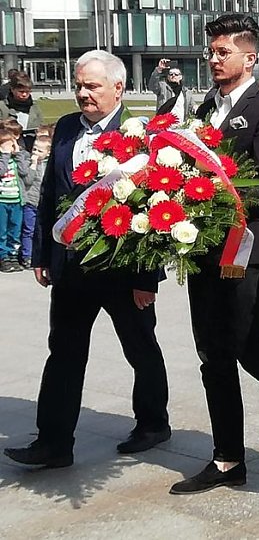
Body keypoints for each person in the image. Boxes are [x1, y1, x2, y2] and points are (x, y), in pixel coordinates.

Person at [168, 14, 259, 495]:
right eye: (210, 52)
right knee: (211, 353)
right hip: (203, 248)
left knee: (246, 345)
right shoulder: (203, 110)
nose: (212, 60)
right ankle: (228, 458)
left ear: (249, 57)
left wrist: (204, 203)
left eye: (222, 52)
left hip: (244, 247)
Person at [4, 50, 170, 467]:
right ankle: (54, 441)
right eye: (78, 85)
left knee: (140, 347)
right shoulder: (63, 129)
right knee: (63, 350)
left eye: (92, 86)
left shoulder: (141, 134)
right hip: (72, 265)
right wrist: (42, 252)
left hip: (124, 268)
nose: (82, 93)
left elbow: (159, 209)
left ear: (118, 87)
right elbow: (48, 196)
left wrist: (147, 278)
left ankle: (152, 423)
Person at [19, 134, 50, 269]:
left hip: (43, 203)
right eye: (34, 149)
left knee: (43, 230)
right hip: (31, 202)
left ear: (48, 152)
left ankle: (42, 254)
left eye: (40, 151)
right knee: (29, 230)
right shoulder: (30, 164)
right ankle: (27, 256)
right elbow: (28, 181)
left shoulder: (49, 164)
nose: (36, 153)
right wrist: (33, 164)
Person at [0, 126, 28, 273]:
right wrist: (4, 155)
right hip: (2, 201)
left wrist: (18, 153)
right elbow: (1, 171)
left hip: (16, 200)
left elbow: (24, 171)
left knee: (15, 230)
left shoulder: (17, 159)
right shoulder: (2, 160)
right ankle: (3, 256)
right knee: (2, 230)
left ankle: (13, 254)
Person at [0, 72, 45, 140]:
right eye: (21, 91)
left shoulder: (34, 107)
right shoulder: (2, 106)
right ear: (12, 89)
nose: (24, 94)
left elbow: (40, 126)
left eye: (27, 92)